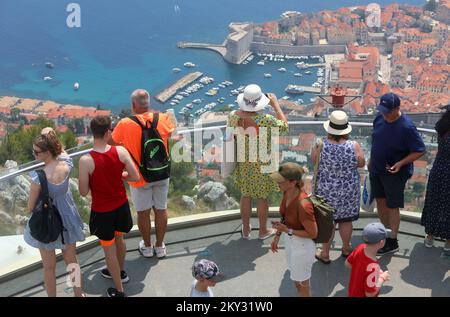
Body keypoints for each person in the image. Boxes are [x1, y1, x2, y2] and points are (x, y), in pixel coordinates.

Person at [78, 116, 139, 297]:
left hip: (102, 211)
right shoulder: (120, 151)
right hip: (121, 206)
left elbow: (82, 191)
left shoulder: (85, 160)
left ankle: (119, 291)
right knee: (119, 239)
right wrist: (121, 174)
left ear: (91, 132)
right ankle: (120, 272)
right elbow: (135, 177)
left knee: (108, 249)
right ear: (108, 132)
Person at [111, 89, 174, 258]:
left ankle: (147, 247)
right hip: (161, 173)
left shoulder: (125, 123)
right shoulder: (161, 118)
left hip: (139, 176)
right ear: (148, 103)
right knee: (161, 209)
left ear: (133, 105)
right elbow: (171, 134)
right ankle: (160, 247)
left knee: (143, 213)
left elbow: (111, 144)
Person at [24, 133, 85, 297]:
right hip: (67, 217)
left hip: (48, 221)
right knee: (72, 260)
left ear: (47, 152)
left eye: (36, 152)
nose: (34, 155)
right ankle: (79, 294)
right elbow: (62, 150)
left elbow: (30, 207)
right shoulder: (67, 164)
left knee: (49, 267)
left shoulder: (38, 177)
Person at [227, 84, 288, 240]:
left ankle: (246, 229)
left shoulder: (233, 116)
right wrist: (275, 104)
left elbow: (232, 135)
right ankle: (262, 231)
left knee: (245, 195)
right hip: (262, 162)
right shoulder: (265, 120)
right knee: (262, 197)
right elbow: (285, 127)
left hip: (244, 161)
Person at [369, 93, 426, 255]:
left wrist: (401, 163)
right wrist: (371, 159)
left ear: (397, 109)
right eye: (382, 110)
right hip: (377, 169)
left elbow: (420, 150)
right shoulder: (379, 119)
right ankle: (384, 234)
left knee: (393, 206)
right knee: (380, 201)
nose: (384, 114)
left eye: (387, 111)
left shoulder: (407, 127)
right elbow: (376, 140)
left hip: (395, 172)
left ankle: (392, 240)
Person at [312, 110, 365, 264]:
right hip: (348, 190)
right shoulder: (353, 145)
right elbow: (361, 163)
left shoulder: (320, 144)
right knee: (346, 221)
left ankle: (325, 253)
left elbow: (314, 160)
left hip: (326, 190)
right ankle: (346, 248)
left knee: (328, 223)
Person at [270, 163, 318, 297]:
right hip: (291, 242)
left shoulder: (303, 204)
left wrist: (287, 230)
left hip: (303, 247)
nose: (278, 183)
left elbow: (313, 233)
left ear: (293, 182)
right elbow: (285, 216)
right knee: (297, 281)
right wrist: (278, 236)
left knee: (302, 284)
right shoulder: (287, 193)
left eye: (281, 180)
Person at [421, 104, 450, 255]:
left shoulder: (442, 128)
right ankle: (448, 242)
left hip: (439, 169)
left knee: (434, 201)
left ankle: (430, 237)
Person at [345, 223, 391, 297]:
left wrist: (363, 272)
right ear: (381, 242)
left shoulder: (360, 248)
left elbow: (347, 264)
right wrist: (382, 278)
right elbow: (370, 294)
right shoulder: (373, 267)